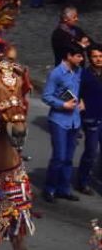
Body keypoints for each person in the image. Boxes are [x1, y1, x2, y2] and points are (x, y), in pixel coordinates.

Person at [42, 45, 84, 203]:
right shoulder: (56, 73)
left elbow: (79, 91)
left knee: (68, 157)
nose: (81, 59)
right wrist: (62, 105)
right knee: (59, 157)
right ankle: (50, 188)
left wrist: (82, 101)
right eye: (79, 56)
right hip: (59, 120)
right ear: (69, 55)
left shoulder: (78, 71)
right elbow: (46, 96)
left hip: (74, 120)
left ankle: (64, 189)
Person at [76, 44, 102, 195]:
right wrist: (79, 100)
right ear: (90, 58)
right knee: (91, 151)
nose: (98, 59)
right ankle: (82, 181)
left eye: (100, 56)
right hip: (91, 118)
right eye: (95, 56)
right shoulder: (84, 75)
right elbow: (69, 91)